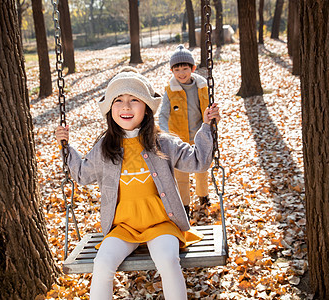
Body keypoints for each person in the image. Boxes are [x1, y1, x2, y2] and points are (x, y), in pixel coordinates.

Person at [55, 67, 220, 300]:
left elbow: (198, 162)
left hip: (162, 223)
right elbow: (82, 174)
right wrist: (66, 147)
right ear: (110, 109)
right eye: (119, 100)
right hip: (123, 227)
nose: (126, 106)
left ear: (147, 108)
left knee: (167, 260)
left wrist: (206, 127)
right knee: (102, 262)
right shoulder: (105, 147)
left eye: (134, 100)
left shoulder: (161, 142)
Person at [159, 44, 211, 219]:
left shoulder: (202, 87)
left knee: (201, 170)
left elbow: (210, 109)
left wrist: (212, 126)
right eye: (177, 70)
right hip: (179, 140)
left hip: (199, 137)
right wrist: (165, 134)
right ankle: (185, 205)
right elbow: (163, 115)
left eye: (185, 69)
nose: (181, 73)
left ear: (193, 68)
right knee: (181, 175)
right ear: (172, 71)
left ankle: (203, 196)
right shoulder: (170, 90)